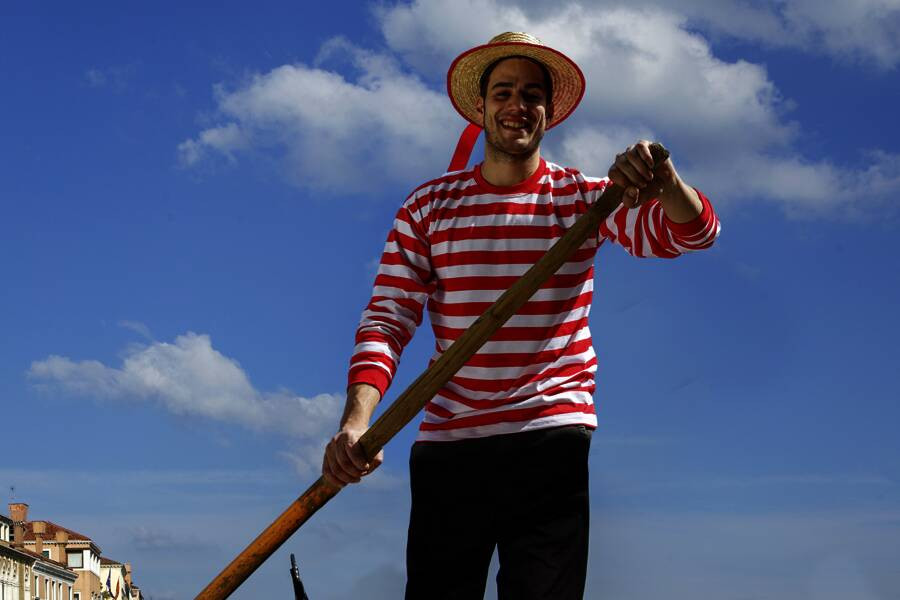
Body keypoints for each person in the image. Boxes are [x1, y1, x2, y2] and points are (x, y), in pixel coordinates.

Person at [322, 32, 721, 599]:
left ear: (548, 113)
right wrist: (357, 422)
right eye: (503, 92)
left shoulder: (586, 199)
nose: (517, 105)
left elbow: (692, 233)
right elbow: (389, 318)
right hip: (449, 443)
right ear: (481, 107)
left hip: (549, 437)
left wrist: (666, 181)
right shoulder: (428, 207)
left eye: (532, 95)